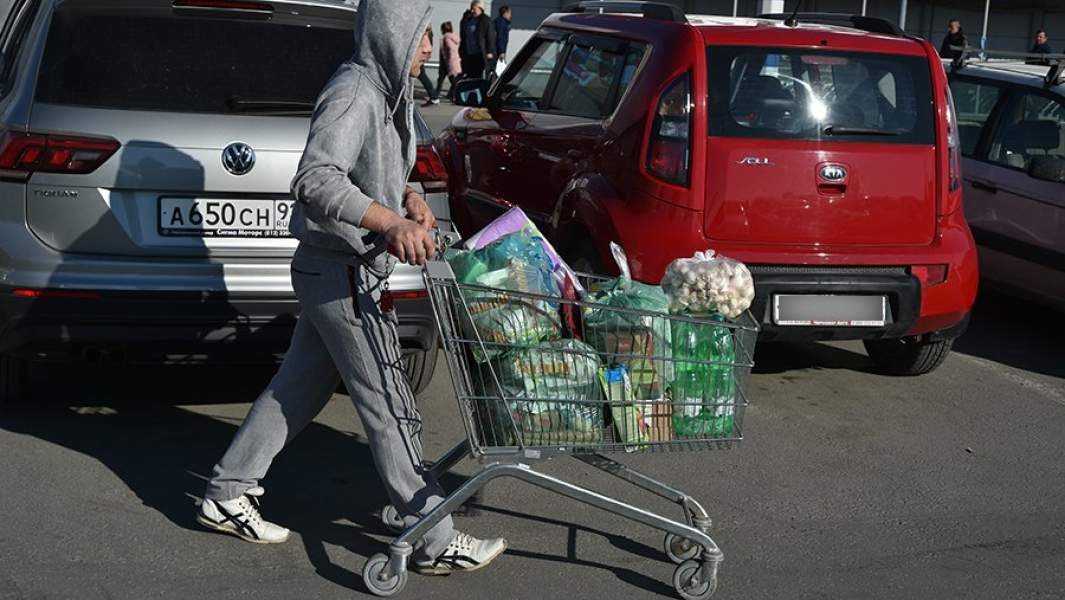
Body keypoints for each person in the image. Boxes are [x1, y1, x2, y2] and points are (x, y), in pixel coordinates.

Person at [195, 0, 507, 576]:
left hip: (337, 270)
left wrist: (409, 198)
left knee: (297, 391)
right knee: (389, 403)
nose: (426, 49)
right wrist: (388, 223)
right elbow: (315, 177)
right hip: (341, 271)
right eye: (417, 36)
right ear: (392, 34)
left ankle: (226, 491)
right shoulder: (355, 92)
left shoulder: (391, 93)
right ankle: (433, 537)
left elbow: (389, 167)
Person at [459, 0, 495, 79]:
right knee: (469, 74)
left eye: (474, 9)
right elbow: (464, 35)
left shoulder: (485, 20)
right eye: (471, 8)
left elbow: (490, 36)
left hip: (479, 53)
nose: (472, 11)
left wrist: (489, 51)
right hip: (469, 53)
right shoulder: (468, 20)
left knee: (478, 74)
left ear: (480, 8)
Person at [437, 21, 461, 100]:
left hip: (448, 61)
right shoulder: (453, 36)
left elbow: (450, 48)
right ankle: (450, 94)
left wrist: (450, 58)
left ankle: (454, 95)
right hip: (453, 60)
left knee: (451, 80)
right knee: (445, 78)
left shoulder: (446, 37)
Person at [418, 28, 440, 106]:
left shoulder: (423, 30)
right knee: (422, 75)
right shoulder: (427, 30)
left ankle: (434, 97)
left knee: (422, 75)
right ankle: (434, 97)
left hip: (416, 56)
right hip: (417, 56)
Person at [491, 5, 512, 79]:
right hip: (498, 51)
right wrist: (501, 51)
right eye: (510, 13)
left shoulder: (498, 21)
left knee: (496, 69)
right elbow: (501, 37)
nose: (510, 15)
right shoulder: (502, 23)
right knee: (498, 70)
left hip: (496, 50)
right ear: (505, 13)